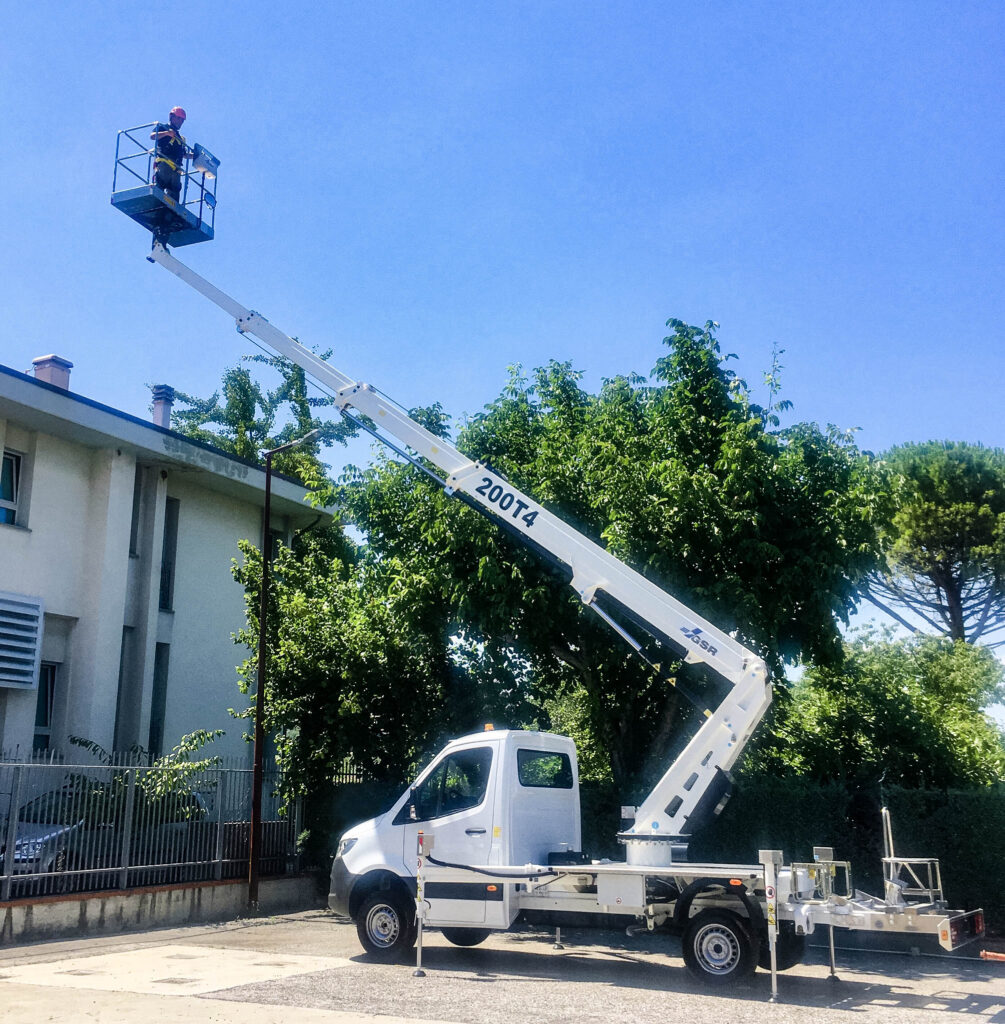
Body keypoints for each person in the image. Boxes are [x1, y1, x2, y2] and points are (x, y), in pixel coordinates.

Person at [150, 107, 192, 202]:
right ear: (171, 116)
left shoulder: (180, 138)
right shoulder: (162, 127)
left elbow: (185, 155)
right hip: (165, 164)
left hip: (176, 170)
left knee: (174, 196)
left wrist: (196, 156)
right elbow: (152, 136)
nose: (180, 122)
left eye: (182, 120)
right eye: (179, 118)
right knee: (159, 188)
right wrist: (166, 133)